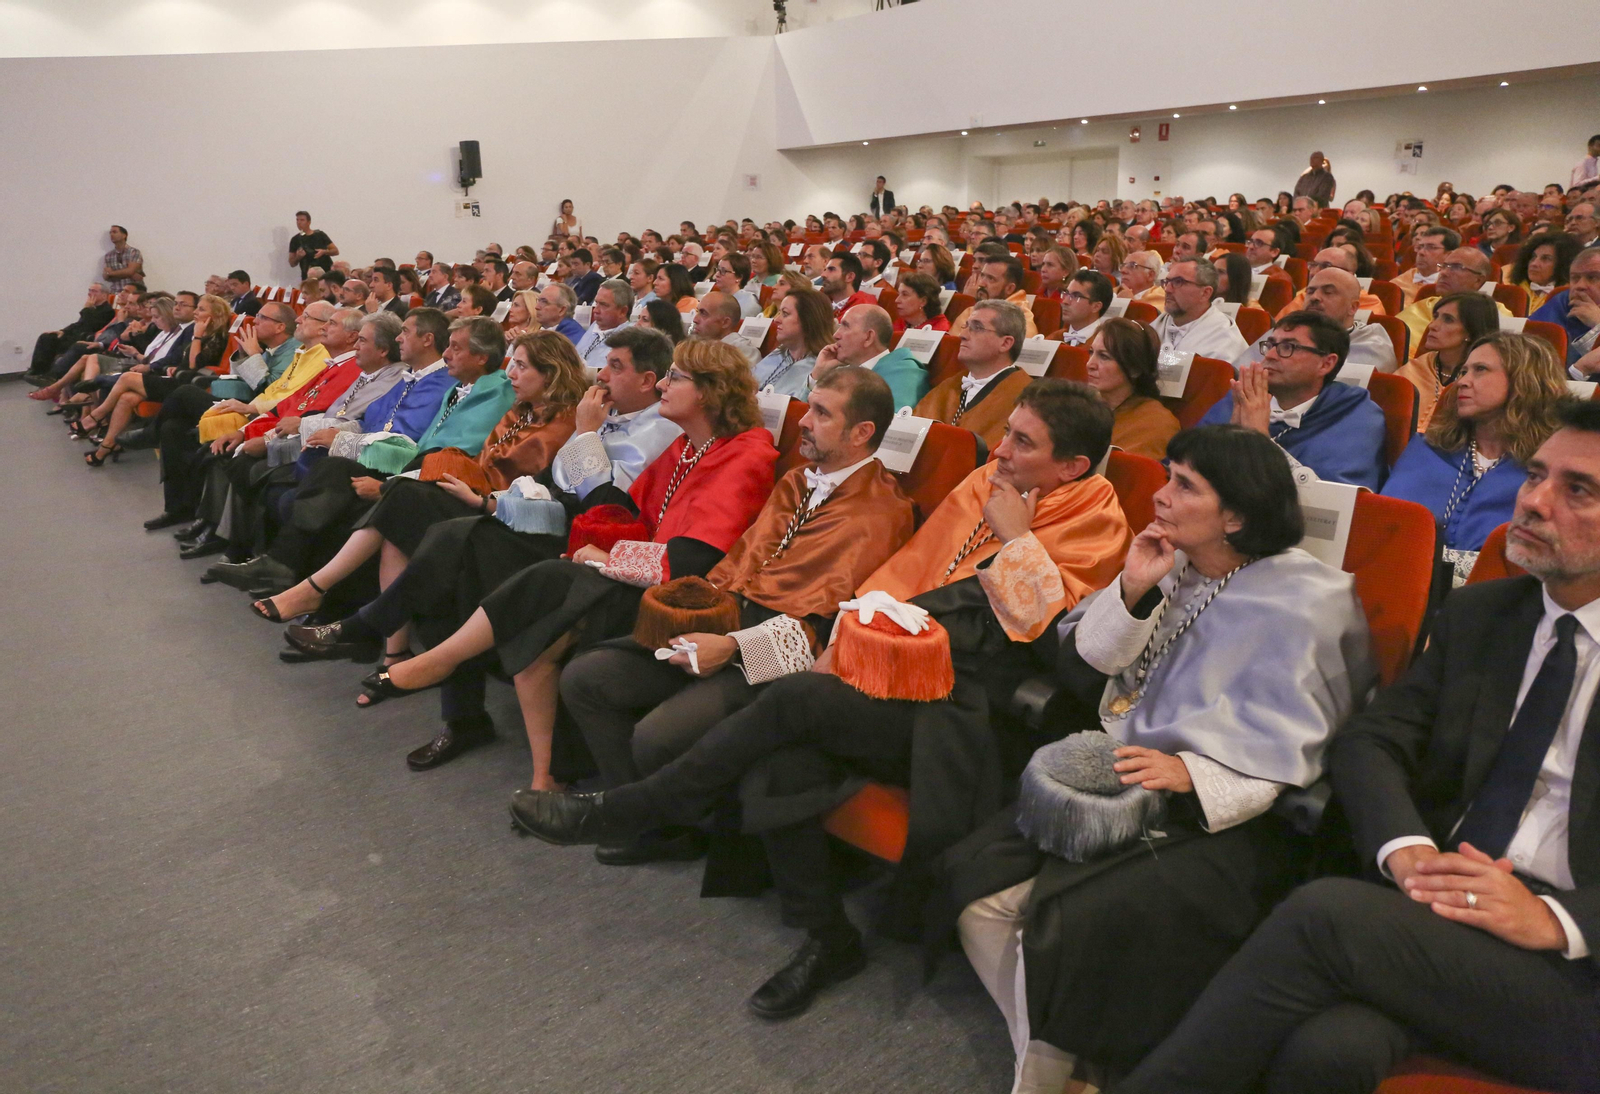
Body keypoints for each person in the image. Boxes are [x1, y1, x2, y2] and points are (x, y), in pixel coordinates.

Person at [510, 379, 1131, 1019]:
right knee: (782, 760)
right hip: (890, 665)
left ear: (1073, 467)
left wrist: (1017, 541)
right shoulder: (985, 484)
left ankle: (626, 809)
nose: (1000, 451)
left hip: (963, 703)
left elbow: (1052, 635)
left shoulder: (1098, 519)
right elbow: (904, 574)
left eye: (1023, 442)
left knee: (792, 701)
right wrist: (857, 634)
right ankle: (828, 938)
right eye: (1006, 433)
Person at [1113, 401, 1600, 1094]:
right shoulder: (1487, 614)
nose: (1532, 502)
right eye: (1536, 475)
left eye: (1577, 490)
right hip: (1448, 913)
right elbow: (1375, 739)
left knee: (1322, 916)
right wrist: (1408, 851)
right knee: (1326, 1052)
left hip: (1578, 965)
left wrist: (1555, 920)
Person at [954, 421, 1372, 1092]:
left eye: (1185, 485)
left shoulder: (1309, 601)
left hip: (1227, 813)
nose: (1161, 495)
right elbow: (1093, 659)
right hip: (1122, 769)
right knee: (973, 890)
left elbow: (1306, 736)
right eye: (1168, 475)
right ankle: (1057, 1065)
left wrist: (1195, 773)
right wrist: (1133, 588)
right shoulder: (1174, 559)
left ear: (1235, 515)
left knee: (1062, 923)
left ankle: (1046, 1078)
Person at [362, 340, 777, 781]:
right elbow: (622, 513)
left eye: (676, 377)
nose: (664, 386)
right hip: (599, 549)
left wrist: (604, 548)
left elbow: (692, 558)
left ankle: (424, 653)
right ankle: (532, 768)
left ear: (710, 391)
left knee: (513, 569)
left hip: (678, 595)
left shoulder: (744, 451)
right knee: (468, 539)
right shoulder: (686, 448)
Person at [556, 366, 915, 863]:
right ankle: (654, 822)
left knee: (655, 737)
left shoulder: (882, 511)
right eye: (808, 407)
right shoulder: (795, 481)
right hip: (723, 616)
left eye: (821, 413)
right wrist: (691, 610)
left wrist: (732, 647)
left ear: (861, 433)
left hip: (770, 650)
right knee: (586, 678)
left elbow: (826, 626)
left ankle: (672, 822)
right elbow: (737, 563)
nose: (804, 422)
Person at [1385, 331, 1567, 584]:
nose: (1463, 382)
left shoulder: (1551, 469)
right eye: (1464, 371)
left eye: (1480, 370)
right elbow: (1383, 532)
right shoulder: (1428, 448)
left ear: (1523, 381)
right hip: (1402, 583)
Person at [141, 301, 307, 530]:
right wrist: (243, 354)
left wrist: (253, 356)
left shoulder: (294, 350)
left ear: (280, 327)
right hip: (243, 402)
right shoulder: (271, 348)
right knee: (172, 428)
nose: (255, 321)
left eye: (262, 317)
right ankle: (177, 508)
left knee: (185, 392)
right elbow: (241, 379)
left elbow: (270, 389)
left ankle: (150, 433)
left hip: (258, 412)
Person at [1201, 310, 1388, 489]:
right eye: (1271, 345)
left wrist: (1260, 440)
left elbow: (1332, 505)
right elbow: (1185, 464)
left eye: (1288, 347)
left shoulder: (1355, 417)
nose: (1271, 355)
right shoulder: (1244, 396)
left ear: (1326, 363)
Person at [915, 299, 1036, 452]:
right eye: (966, 326)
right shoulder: (949, 384)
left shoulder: (1028, 398)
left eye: (977, 328)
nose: (963, 335)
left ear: (1005, 343)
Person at [1237, 267, 1397, 374]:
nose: (1314, 297)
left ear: (1353, 308)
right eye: (1310, 291)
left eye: (1328, 292)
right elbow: (1239, 372)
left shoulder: (1372, 340)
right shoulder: (1283, 332)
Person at [1395, 292, 1502, 431]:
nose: (1432, 326)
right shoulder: (1417, 366)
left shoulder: (1486, 376)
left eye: (1448, 320)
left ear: (1470, 331)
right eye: (1435, 317)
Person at [1084, 318, 1180, 459]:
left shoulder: (1156, 423)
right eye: (1091, 352)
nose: (1089, 364)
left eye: (1104, 356)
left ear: (1134, 369)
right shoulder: (1080, 406)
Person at [815, 304, 927, 410]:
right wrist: (818, 373)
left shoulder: (904, 375)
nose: (836, 335)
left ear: (868, 337)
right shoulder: (841, 370)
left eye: (845, 326)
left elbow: (888, 427)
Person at [1397, 247, 1513, 349]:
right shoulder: (1422, 305)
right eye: (1443, 266)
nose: (1443, 273)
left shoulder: (1495, 313)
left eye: (1456, 267)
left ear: (1478, 280)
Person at [1149, 258, 1250, 363]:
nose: (1167, 289)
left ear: (1205, 293)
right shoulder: (1154, 328)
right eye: (1167, 282)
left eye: (1178, 282)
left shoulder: (1224, 340)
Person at [752, 287, 833, 398]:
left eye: (785, 314)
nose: (776, 319)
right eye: (779, 312)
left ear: (808, 321)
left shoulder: (823, 366)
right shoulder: (778, 353)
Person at [1531, 246, 1600, 373]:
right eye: (1575, 278)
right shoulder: (1562, 303)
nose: (1579, 286)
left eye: (1592, 278)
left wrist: (1597, 327)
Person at [27, 283, 114, 382]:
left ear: (104, 295)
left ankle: (51, 375)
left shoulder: (108, 311)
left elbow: (91, 326)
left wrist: (87, 309)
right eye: (89, 290)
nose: (90, 293)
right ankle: (37, 370)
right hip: (75, 334)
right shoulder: (91, 308)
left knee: (61, 343)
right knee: (47, 337)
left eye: (94, 291)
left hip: (85, 338)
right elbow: (78, 324)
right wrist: (63, 331)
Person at [951, 254, 1040, 338]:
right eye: (982, 276)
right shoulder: (970, 311)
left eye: (991, 278)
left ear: (1009, 288)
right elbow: (954, 347)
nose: (981, 283)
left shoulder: (1021, 323)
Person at [1507, 232, 1580, 315]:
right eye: (1533, 257)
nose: (1534, 263)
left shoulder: (1569, 296)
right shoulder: (1512, 291)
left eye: (1546, 259)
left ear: (1563, 264)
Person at [572, 279, 634, 374]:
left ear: (623, 311)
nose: (595, 310)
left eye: (604, 305)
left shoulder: (629, 339)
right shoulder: (596, 325)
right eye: (596, 303)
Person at [1393, 225, 1459, 307]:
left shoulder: (1453, 287)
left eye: (1431, 247)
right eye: (1420, 247)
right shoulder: (1401, 280)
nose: (1421, 252)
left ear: (1449, 255)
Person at [691, 291, 761, 367]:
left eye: (703, 313)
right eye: (697, 311)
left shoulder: (744, 353)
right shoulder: (699, 346)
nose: (695, 319)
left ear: (725, 323)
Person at [1058, 271, 1113, 347]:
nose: (1065, 301)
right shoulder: (1055, 338)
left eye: (1076, 296)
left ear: (1096, 307)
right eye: (1066, 293)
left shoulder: (1107, 345)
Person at [818, 253, 876, 320]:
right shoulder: (820, 302)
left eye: (831, 269)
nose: (823, 275)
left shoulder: (863, 311)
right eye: (825, 270)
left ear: (849, 277)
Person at [288, 211, 336, 278]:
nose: (299, 222)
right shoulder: (295, 239)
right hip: (308, 275)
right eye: (297, 220)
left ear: (308, 222)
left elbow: (335, 251)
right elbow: (292, 263)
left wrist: (324, 252)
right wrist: (298, 257)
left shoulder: (320, 235)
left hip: (326, 273)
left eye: (302, 220)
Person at [101, 225, 145, 291]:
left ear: (124, 235)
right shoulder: (108, 255)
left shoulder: (134, 252)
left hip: (134, 293)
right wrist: (127, 273)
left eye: (114, 232)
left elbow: (130, 271)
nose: (111, 234)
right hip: (116, 292)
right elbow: (106, 276)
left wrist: (111, 273)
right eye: (110, 233)